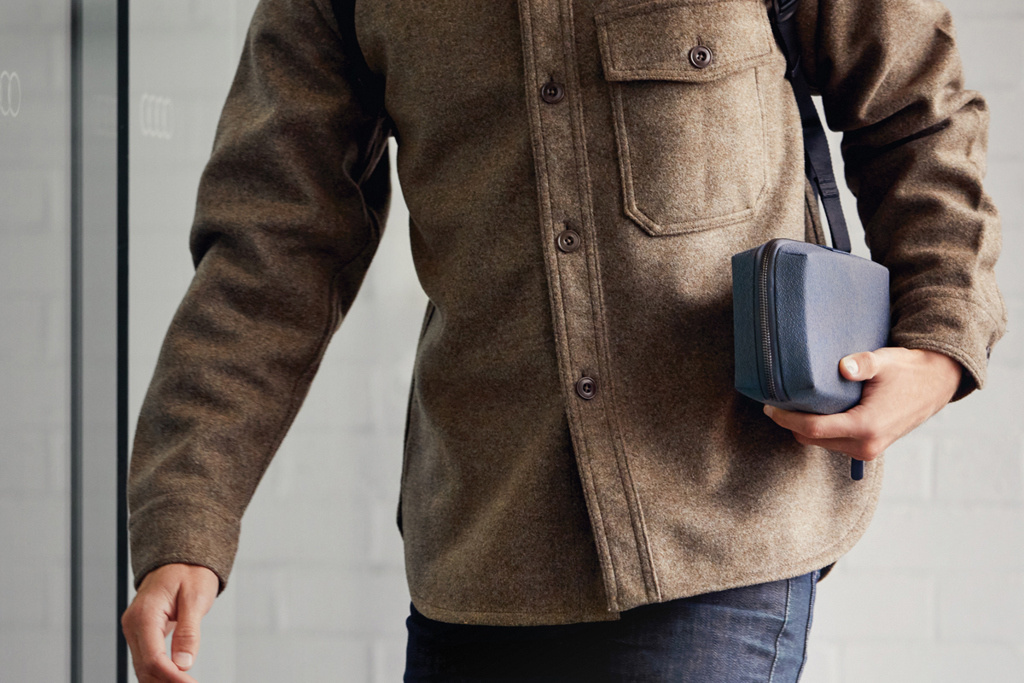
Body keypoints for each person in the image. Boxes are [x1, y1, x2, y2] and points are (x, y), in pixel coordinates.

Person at [120, 0, 1007, 680]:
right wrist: (187, 517)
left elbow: (916, 108)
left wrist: (939, 339)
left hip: (720, 527)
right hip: (479, 558)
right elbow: (270, 250)